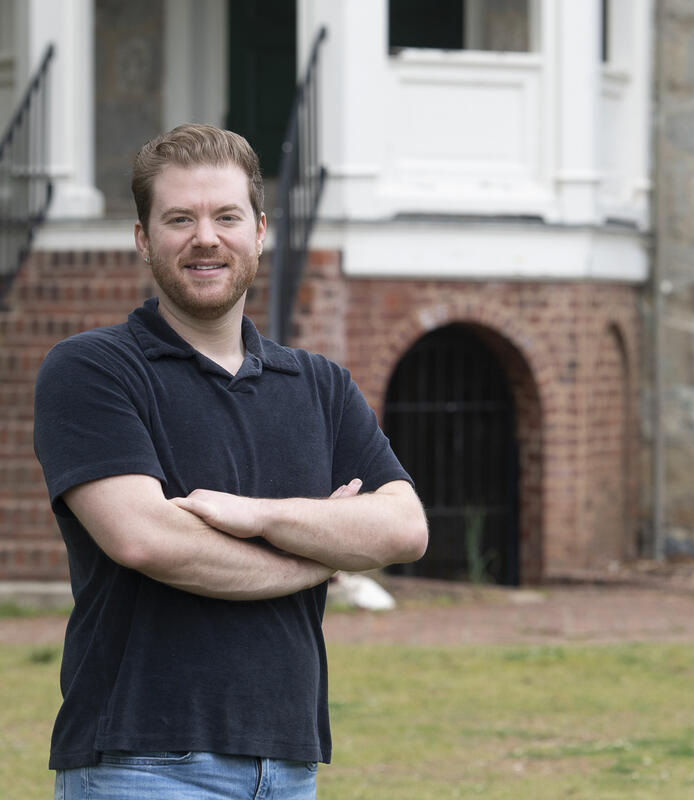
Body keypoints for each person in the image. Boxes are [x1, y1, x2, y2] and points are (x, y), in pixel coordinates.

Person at [32, 123, 428, 800]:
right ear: (143, 239)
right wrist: (327, 552)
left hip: (289, 764)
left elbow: (403, 530)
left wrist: (251, 515)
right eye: (179, 218)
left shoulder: (318, 384)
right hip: (142, 763)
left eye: (226, 216)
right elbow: (145, 539)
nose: (205, 238)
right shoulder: (94, 370)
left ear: (260, 231)